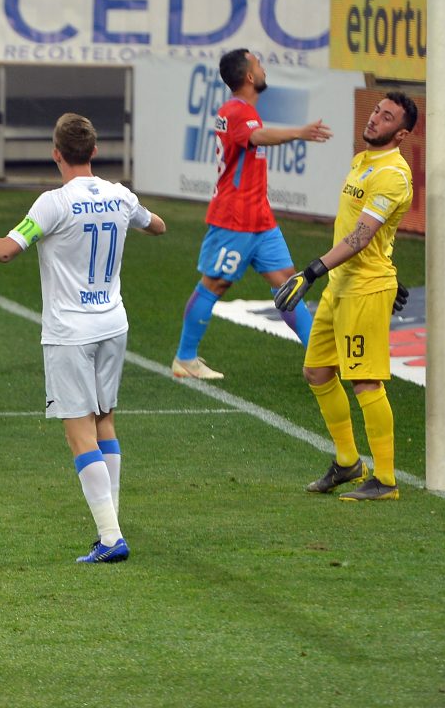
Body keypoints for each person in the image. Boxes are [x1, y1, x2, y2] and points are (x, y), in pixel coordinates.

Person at [0, 113, 166, 563]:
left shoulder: (54, 203)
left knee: (78, 429)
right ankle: (111, 528)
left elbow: (7, 250)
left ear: (55, 153)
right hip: (113, 325)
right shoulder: (119, 195)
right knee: (104, 418)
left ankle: (110, 537)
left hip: (71, 331)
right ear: (94, 152)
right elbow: (157, 225)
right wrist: (135, 219)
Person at [275, 91, 418, 501]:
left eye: (387, 117)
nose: (375, 119)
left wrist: (312, 270)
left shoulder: (392, 173)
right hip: (344, 284)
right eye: (376, 110)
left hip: (363, 289)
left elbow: (362, 236)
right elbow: (366, 234)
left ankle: (386, 480)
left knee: (365, 381)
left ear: (402, 133)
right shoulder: (363, 160)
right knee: (317, 371)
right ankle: (347, 462)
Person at [171, 48, 333, 380]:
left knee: (290, 286)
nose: (263, 70)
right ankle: (185, 358)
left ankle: (321, 357)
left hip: (260, 218)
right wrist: (299, 132)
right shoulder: (234, 111)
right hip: (234, 218)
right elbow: (256, 137)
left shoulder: (243, 110)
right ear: (248, 76)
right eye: (259, 65)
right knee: (215, 284)